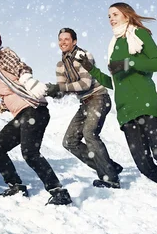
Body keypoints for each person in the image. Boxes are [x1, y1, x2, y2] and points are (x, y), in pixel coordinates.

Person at [76, 3, 157, 217]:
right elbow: (112, 82)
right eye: (108, 15)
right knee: (143, 164)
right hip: (126, 112)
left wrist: (129, 63)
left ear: (126, 15)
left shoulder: (138, 34)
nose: (111, 18)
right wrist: (91, 69)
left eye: (115, 14)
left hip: (146, 105)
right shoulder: (113, 45)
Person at [0, 27, 72, 205]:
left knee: (30, 153)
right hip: (22, 113)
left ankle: (58, 191)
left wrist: (28, 80)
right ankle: (16, 186)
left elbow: (20, 67)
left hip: (34, 110)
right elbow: (12, 95)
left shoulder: (2, 55)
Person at [45, 28, 122, 189]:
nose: (63, 42)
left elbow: (85, 84)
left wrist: (61, 88)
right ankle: (108, 166)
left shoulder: (83, 56)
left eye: (66, 39)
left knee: (89, 133)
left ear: (74, 41)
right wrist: (51, 91)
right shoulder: (60, 65)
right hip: (85, 103)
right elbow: (63, 90)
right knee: (69, 141)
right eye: (60, 39)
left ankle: (110, 178)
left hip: (99, 97)